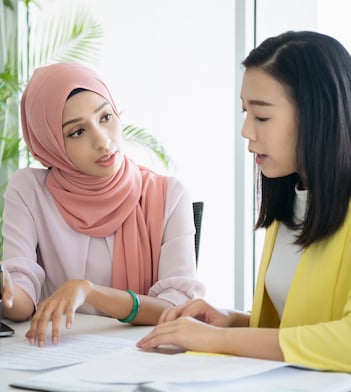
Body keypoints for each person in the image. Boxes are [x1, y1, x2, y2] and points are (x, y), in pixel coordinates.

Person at [137, 30, 351, 373]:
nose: (246, 130)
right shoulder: (291, 191)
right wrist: (231, 321)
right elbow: (301, 328)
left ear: (319, 115)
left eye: (261, 116)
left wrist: (218, 341)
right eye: (245, 112)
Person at [0, 62, 204, 347]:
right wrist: (4, 289)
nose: (102, 140)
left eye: (105, 117)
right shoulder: (30, 191)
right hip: (54, 352)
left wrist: (90, 292)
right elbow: (21, 300)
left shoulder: (169, 194)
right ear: (51, 146)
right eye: (77, 132)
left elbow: (178, 307)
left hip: (139, 353)